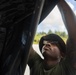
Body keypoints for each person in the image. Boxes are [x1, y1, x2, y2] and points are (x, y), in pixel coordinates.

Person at [28, 0, 76, 75]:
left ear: (62, 54)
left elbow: (74, 35)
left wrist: (59, 1)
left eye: (54, 43)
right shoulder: (35, 63)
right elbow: (23, 42)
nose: (47, 44)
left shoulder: (67, 67)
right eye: (45, 42)